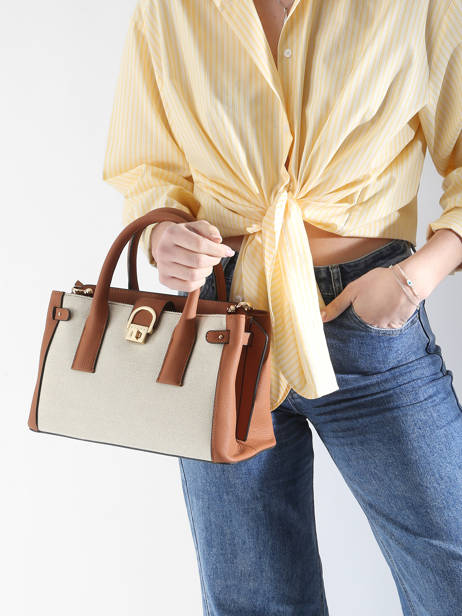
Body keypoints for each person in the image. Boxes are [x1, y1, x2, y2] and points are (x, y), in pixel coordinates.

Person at [102, 1, 462, 614]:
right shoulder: (170, 8)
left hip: (370, 320)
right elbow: (147, 168)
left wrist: (414, 278)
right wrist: (162, 237)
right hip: (220, 321)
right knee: (252, 602)